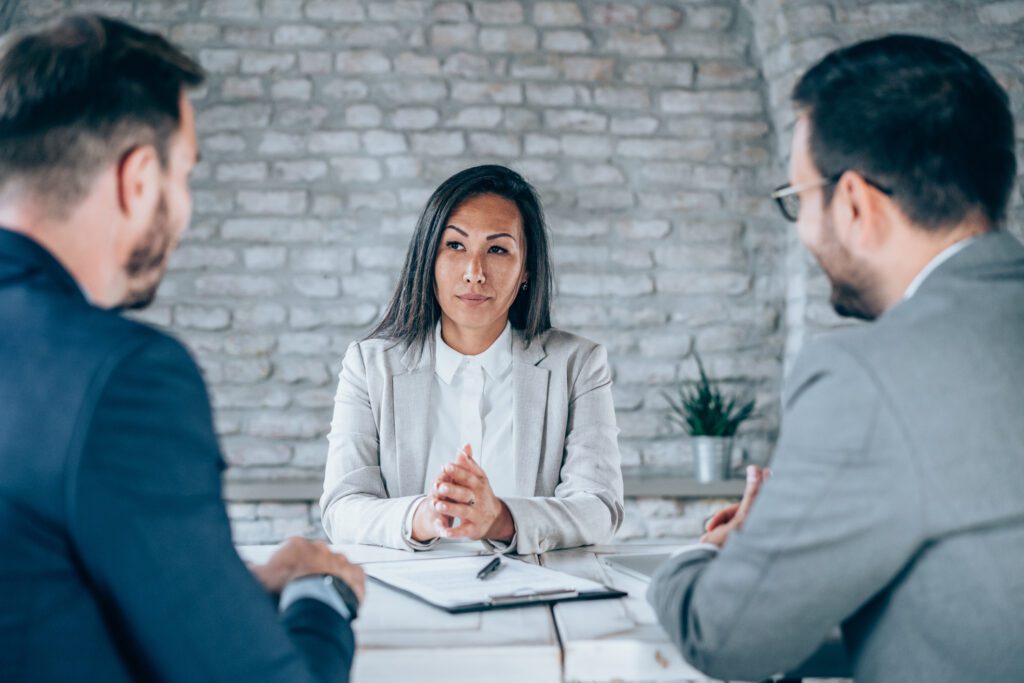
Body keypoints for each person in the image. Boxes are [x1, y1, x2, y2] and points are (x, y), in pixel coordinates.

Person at [648, 34, 1024, 683]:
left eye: (799, 198)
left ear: (853, 202)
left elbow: (726, 636)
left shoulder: (869, 377)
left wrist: (703, 554)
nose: (802, 227)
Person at [0, 14, 362, 682]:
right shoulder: (120, 379)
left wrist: (236, 587)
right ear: (138, 180)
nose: (186, 207)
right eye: (185, 174)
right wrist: (321, 593)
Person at [321, 164, 624, 554]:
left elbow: (599, 508)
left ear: (526, 270)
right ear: (428, 258)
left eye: (497, 249)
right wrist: (426, 515)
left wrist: (499, 519)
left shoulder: (577, 365)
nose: (474, 273)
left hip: (534, 597)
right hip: (412, 595)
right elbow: (342, 507)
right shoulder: (369, 366)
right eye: (455, 245)